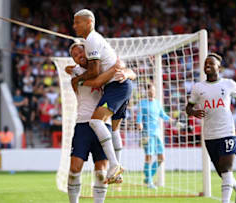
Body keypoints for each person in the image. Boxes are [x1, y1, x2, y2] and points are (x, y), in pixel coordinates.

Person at [65, 42, 136, 203]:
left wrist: (125, 73)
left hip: (103, 125)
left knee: (101, 172)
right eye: (75, 55)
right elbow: (97, 82)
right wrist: (115, 68)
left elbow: (130, 72)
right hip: (83, 124)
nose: (79, 56)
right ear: (73, 60)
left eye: (81, 52)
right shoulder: (75, 74)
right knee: (75, 169)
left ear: (89, 52)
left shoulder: (101, 67)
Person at [72, 9, 134, 183]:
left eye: (77, 22)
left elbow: (94, 72)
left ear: (89, 22)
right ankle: (117, 172)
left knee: (96, 121)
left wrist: (78, 78)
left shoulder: (91, 40)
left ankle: (115, 165)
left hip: (116, 86)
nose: (74, 25)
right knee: (114, 129)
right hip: (121, 86)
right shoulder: (95, 39)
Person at [186, 53, 236, 203]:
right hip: (210, 134)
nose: (207, 65)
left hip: (227, 132)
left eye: (211, 63)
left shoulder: (229, 84)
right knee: (222, 173)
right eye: (205, 63)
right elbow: (188, 107)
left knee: (227, 169)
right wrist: (193, 112)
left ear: (219, 67)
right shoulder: (198, 87)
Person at [136, 82, 183, 189]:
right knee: (148, 157)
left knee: (161, 158)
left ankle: (148, 177)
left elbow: (163, 115)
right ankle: (150, 182)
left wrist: (174, 122)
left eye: (153, 90)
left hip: (157, 134)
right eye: (150, 90)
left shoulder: (157, 103)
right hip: (147, 134)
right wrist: (139, 124)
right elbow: (139, 116)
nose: (152, 92)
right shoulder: (142, 103)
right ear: (146, 92)